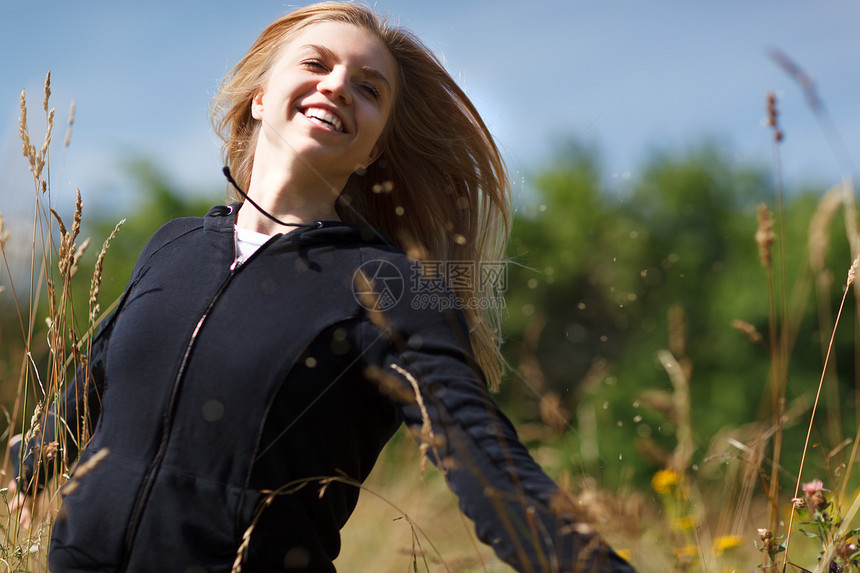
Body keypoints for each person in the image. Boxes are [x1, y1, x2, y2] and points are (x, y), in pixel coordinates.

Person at [11, 3, 636, 572]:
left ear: (373, 150)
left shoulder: (390, 286)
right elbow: (92, 383)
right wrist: (24, 471)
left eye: (368, 89)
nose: (338, 85)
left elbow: (484, 461)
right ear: (259, 97)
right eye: (316, 63)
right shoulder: (173, 245)